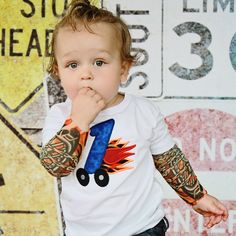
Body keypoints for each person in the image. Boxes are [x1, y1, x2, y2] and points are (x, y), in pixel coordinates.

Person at [40, 0, 228, 235]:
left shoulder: (143, 112)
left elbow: (168, 159)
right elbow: (56, 167)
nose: (85, 74)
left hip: (143, 228)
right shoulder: (60, 115)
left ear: (123, 69)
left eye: (99, 62)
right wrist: (78, 120)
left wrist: (196, 196)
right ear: (58, 72)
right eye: (72, 64)